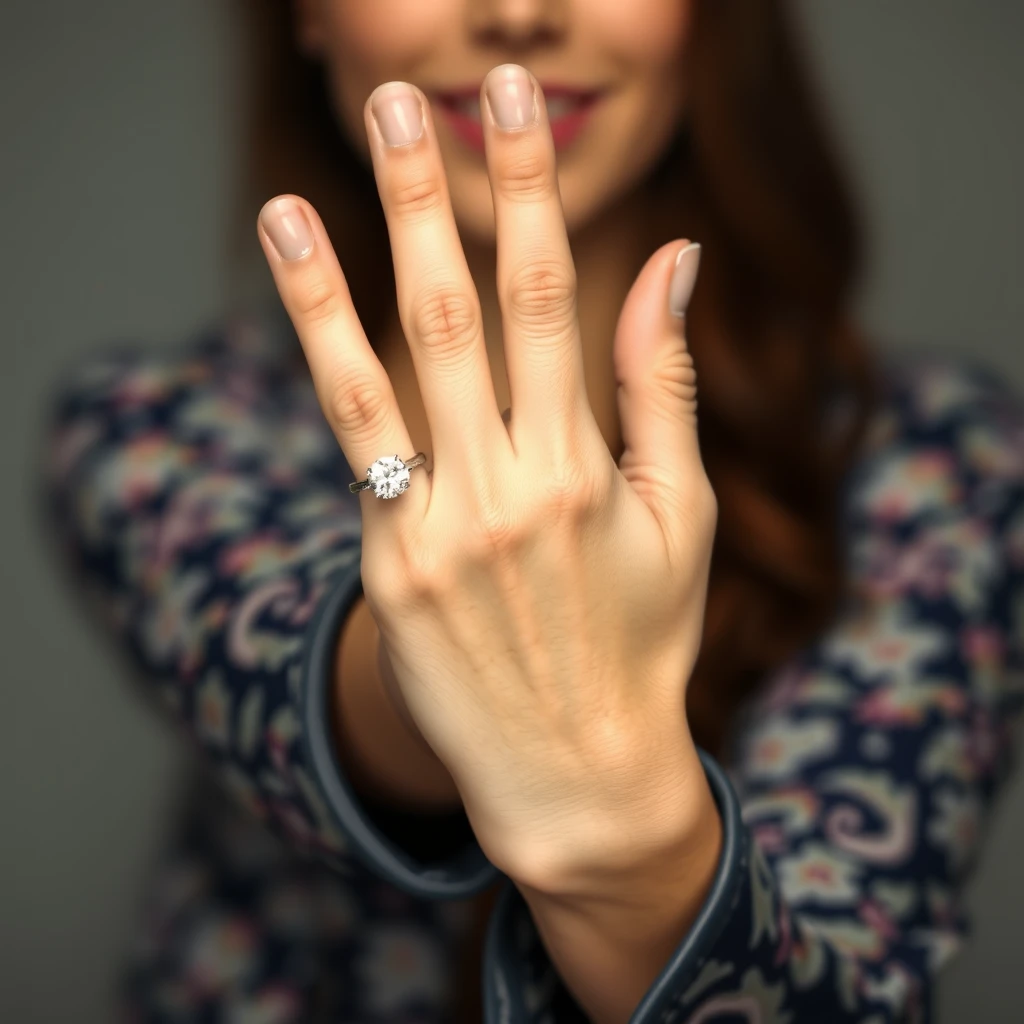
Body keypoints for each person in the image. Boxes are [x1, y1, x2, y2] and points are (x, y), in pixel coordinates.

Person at [40, 0, 1024, 1021]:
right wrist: (456, 644)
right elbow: (292, 677)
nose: (517, 14)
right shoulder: (157, 430)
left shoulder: (932, 466)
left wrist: (622, 837)